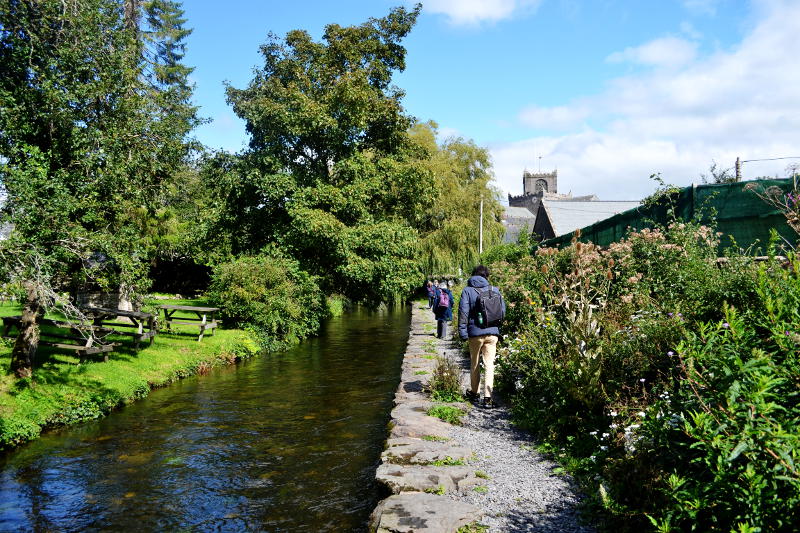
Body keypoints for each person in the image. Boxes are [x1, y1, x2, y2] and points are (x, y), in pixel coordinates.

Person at [458, 265, 505, 408]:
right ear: (486, 276)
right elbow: (502, 311)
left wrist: (462, 332)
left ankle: (474, 393)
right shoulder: (494, 290)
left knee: (475, 363)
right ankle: (488, 399)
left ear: (473, 275)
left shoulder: (467, 290)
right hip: (492, 333)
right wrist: (496, 328)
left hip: (475, 333)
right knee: (489, 365)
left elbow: (463, 312)